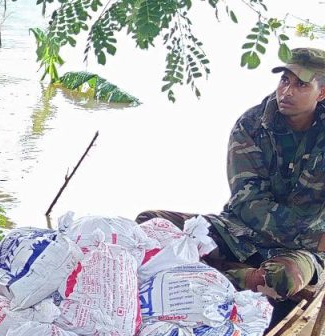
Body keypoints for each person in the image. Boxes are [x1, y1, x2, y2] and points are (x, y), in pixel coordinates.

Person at [137, 47, 325, 301]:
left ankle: (211, 270)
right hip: (242, 230)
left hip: (300, 251)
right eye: (284, 80)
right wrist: (314, 238)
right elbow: (248, 203)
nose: (287, 91)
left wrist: (314, 242)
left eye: (301, 85)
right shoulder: (252, 125)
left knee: (280, 279)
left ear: (321, 93)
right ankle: (236, 275)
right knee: (150, 224)